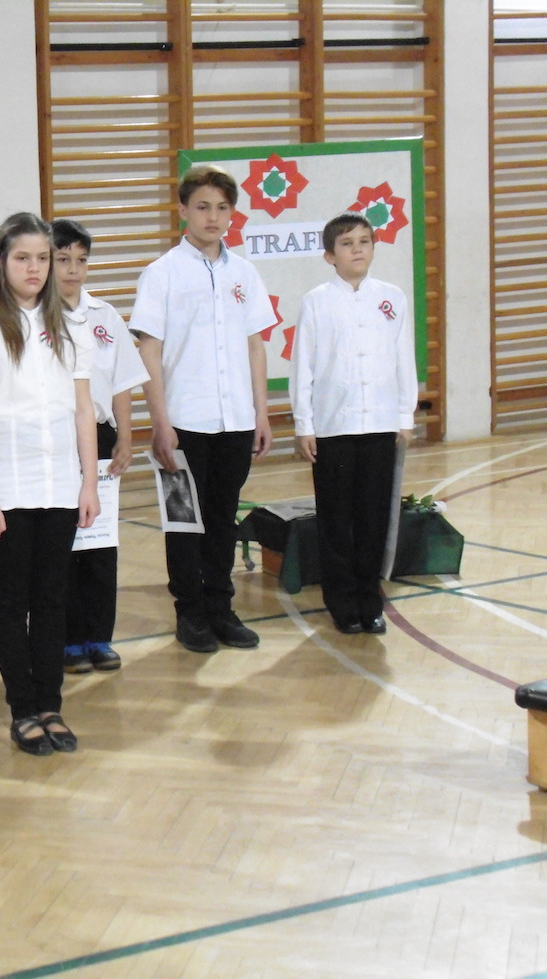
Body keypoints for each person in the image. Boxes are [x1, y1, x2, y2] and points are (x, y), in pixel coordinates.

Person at [0, 213, 99, 757]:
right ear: (2, 262)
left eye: (43, 258)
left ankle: (50, 704)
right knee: (12, 601)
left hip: (59, 484)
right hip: (7, 489)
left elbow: (83, 410)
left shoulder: (71, 329)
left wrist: (88, 483)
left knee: (53, 599)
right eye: (23, 258)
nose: (34, 268)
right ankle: (22, 709)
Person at [130, 164, 276, 654]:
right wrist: (160, 422)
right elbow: (149, 350)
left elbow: (255, 345)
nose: (213, 217)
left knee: (222, 520)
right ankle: (189, 612)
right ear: (183, 210)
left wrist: (261, 413)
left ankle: (221, 608)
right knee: (183, 523)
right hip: (183, 423)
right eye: (202, 207)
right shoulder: (162, 274)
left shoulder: (244, 273)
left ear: (232, 213)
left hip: (235, 421)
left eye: (222, 208)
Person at [290, 211, 417, 636]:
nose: (357, 250)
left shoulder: (392, 298)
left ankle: (370, 600)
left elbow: (403, 358)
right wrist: (304, 424)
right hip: (333, 428)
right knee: (336, 519)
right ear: (330, 256)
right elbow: (303, 366)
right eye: (346, 244)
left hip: (380, 425)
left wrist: (404, 416)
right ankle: (342, 603)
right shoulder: (316, 301)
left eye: (364, 241)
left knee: (373, 519)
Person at [50, 218, 149, 675]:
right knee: (64, 544)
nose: (73, 269)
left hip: (102, 435)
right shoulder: (37, 317)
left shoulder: (105, 316)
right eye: (63, 259)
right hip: (59, 439)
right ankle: (67, 640)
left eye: (81, 260)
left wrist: (126, 436)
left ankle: (98, 637)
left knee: (100, 543)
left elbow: (123, 382)